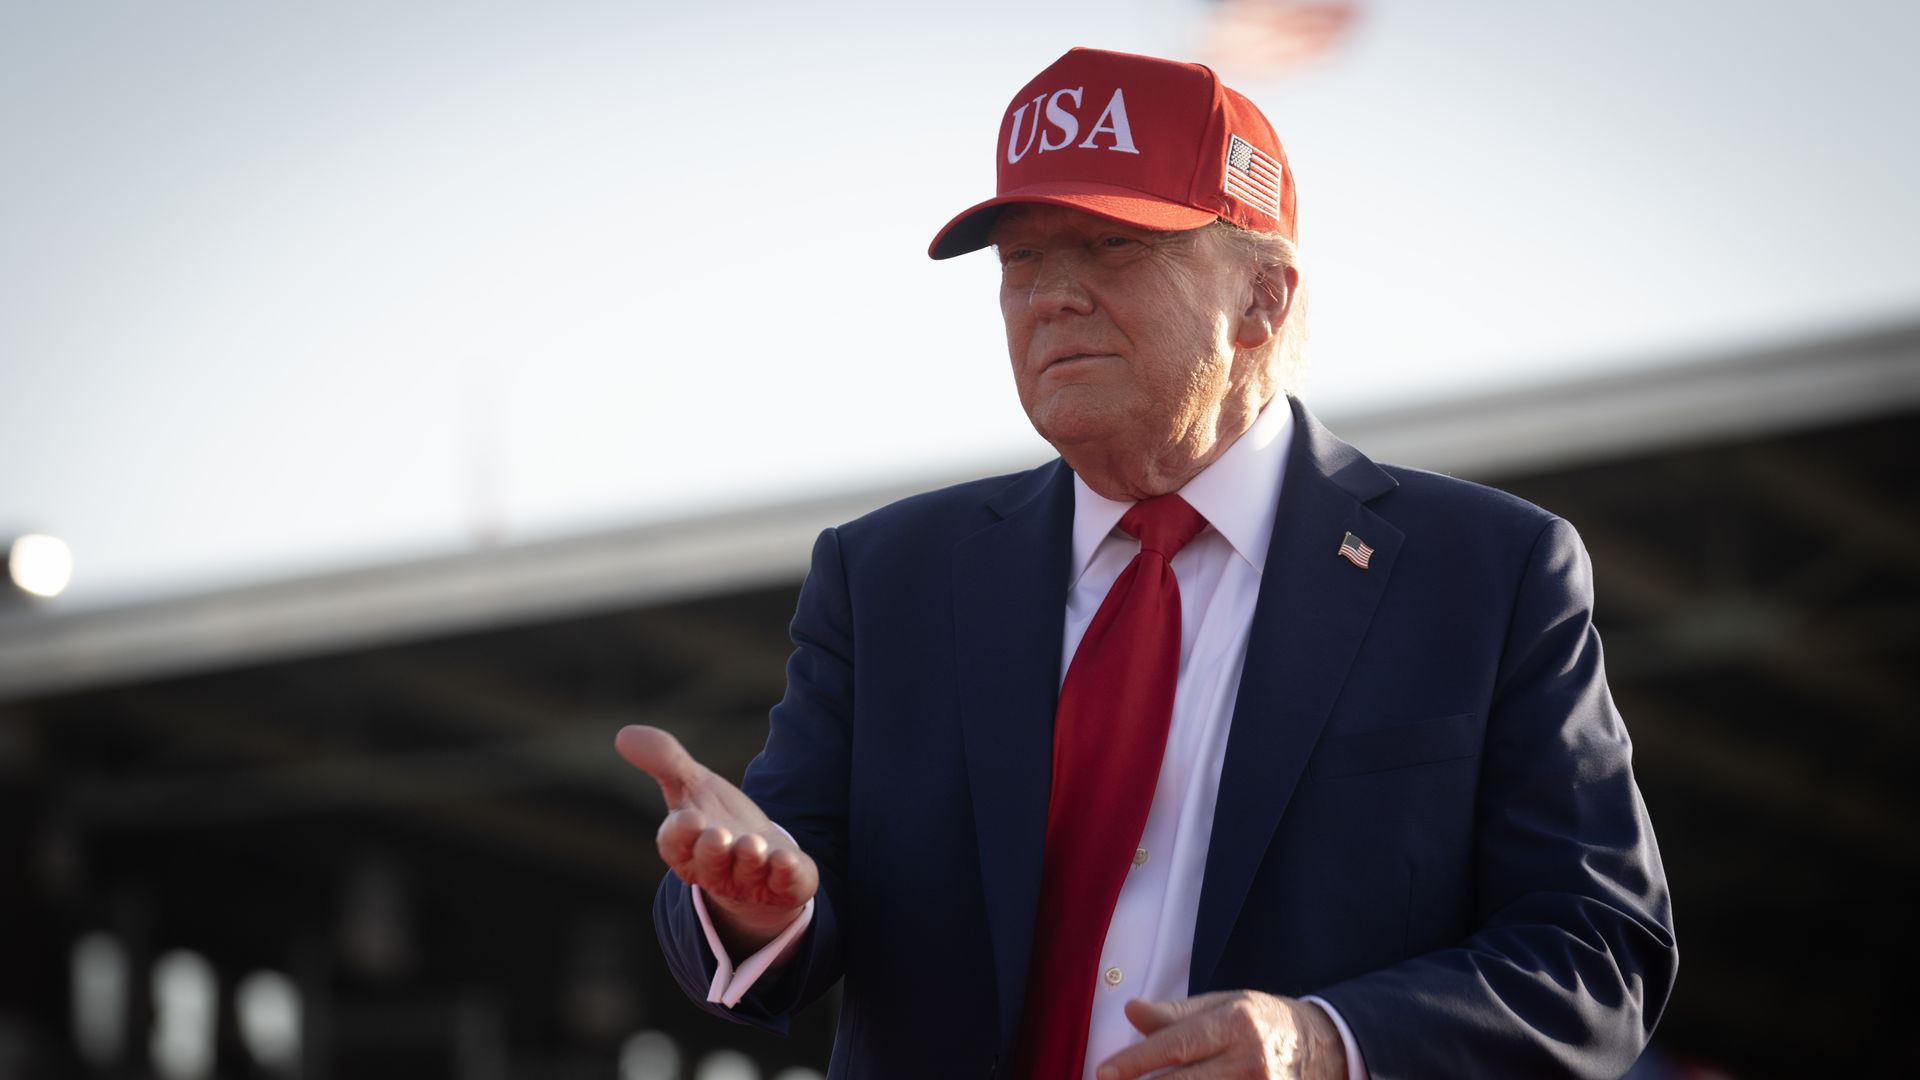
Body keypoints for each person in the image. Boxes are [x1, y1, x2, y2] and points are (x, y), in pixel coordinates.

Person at [618, 46, 1675, 1080]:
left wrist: (1325, 1046)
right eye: (1023, 259)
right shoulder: (886, 577)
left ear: (1263, 300)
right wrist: (754, 903)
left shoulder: (1486, 575)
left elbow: (1598, 950)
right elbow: (785, 886)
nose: (1051, 298)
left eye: (1113, 248)